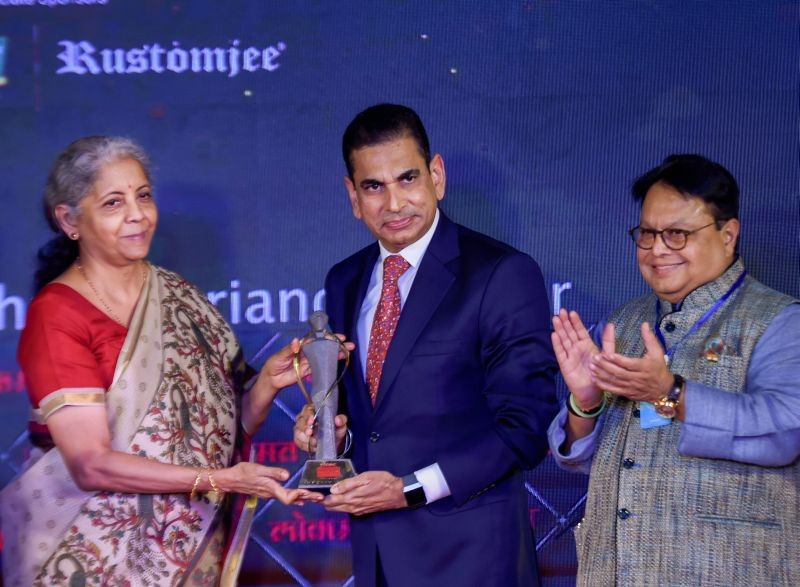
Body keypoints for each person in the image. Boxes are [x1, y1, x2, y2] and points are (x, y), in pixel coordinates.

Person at [1, 136, 324, 586]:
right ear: (69, 220)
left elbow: (224, 432)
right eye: (114, 202)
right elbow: (90, 464)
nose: (137, 215)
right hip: (82, 558)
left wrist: (267, 384)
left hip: (187, 553)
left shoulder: (179, 296)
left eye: (144, 196)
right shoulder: (57, 314)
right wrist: (222, 481)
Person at [294, 103, 557, 586]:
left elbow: (527, 426)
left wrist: (410, 489)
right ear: (353, 196)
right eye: (374, 186)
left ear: (436, 176)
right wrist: (329, 436)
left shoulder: (501, 274)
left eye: (407, 179)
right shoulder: (344, 280)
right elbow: (370, 423)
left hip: (474, 559)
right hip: (376, 558)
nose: (393, 203)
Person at [548, 154, 800, 585]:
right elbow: (581, 460)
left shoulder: (778, 320)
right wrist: (585, 404)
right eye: (646, 233)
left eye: (677, 234)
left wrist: (671, 394)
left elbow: (785, 433)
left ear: (728, 235)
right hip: (613, 570)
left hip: (726, 570)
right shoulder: (625, 323)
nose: (657, 249)